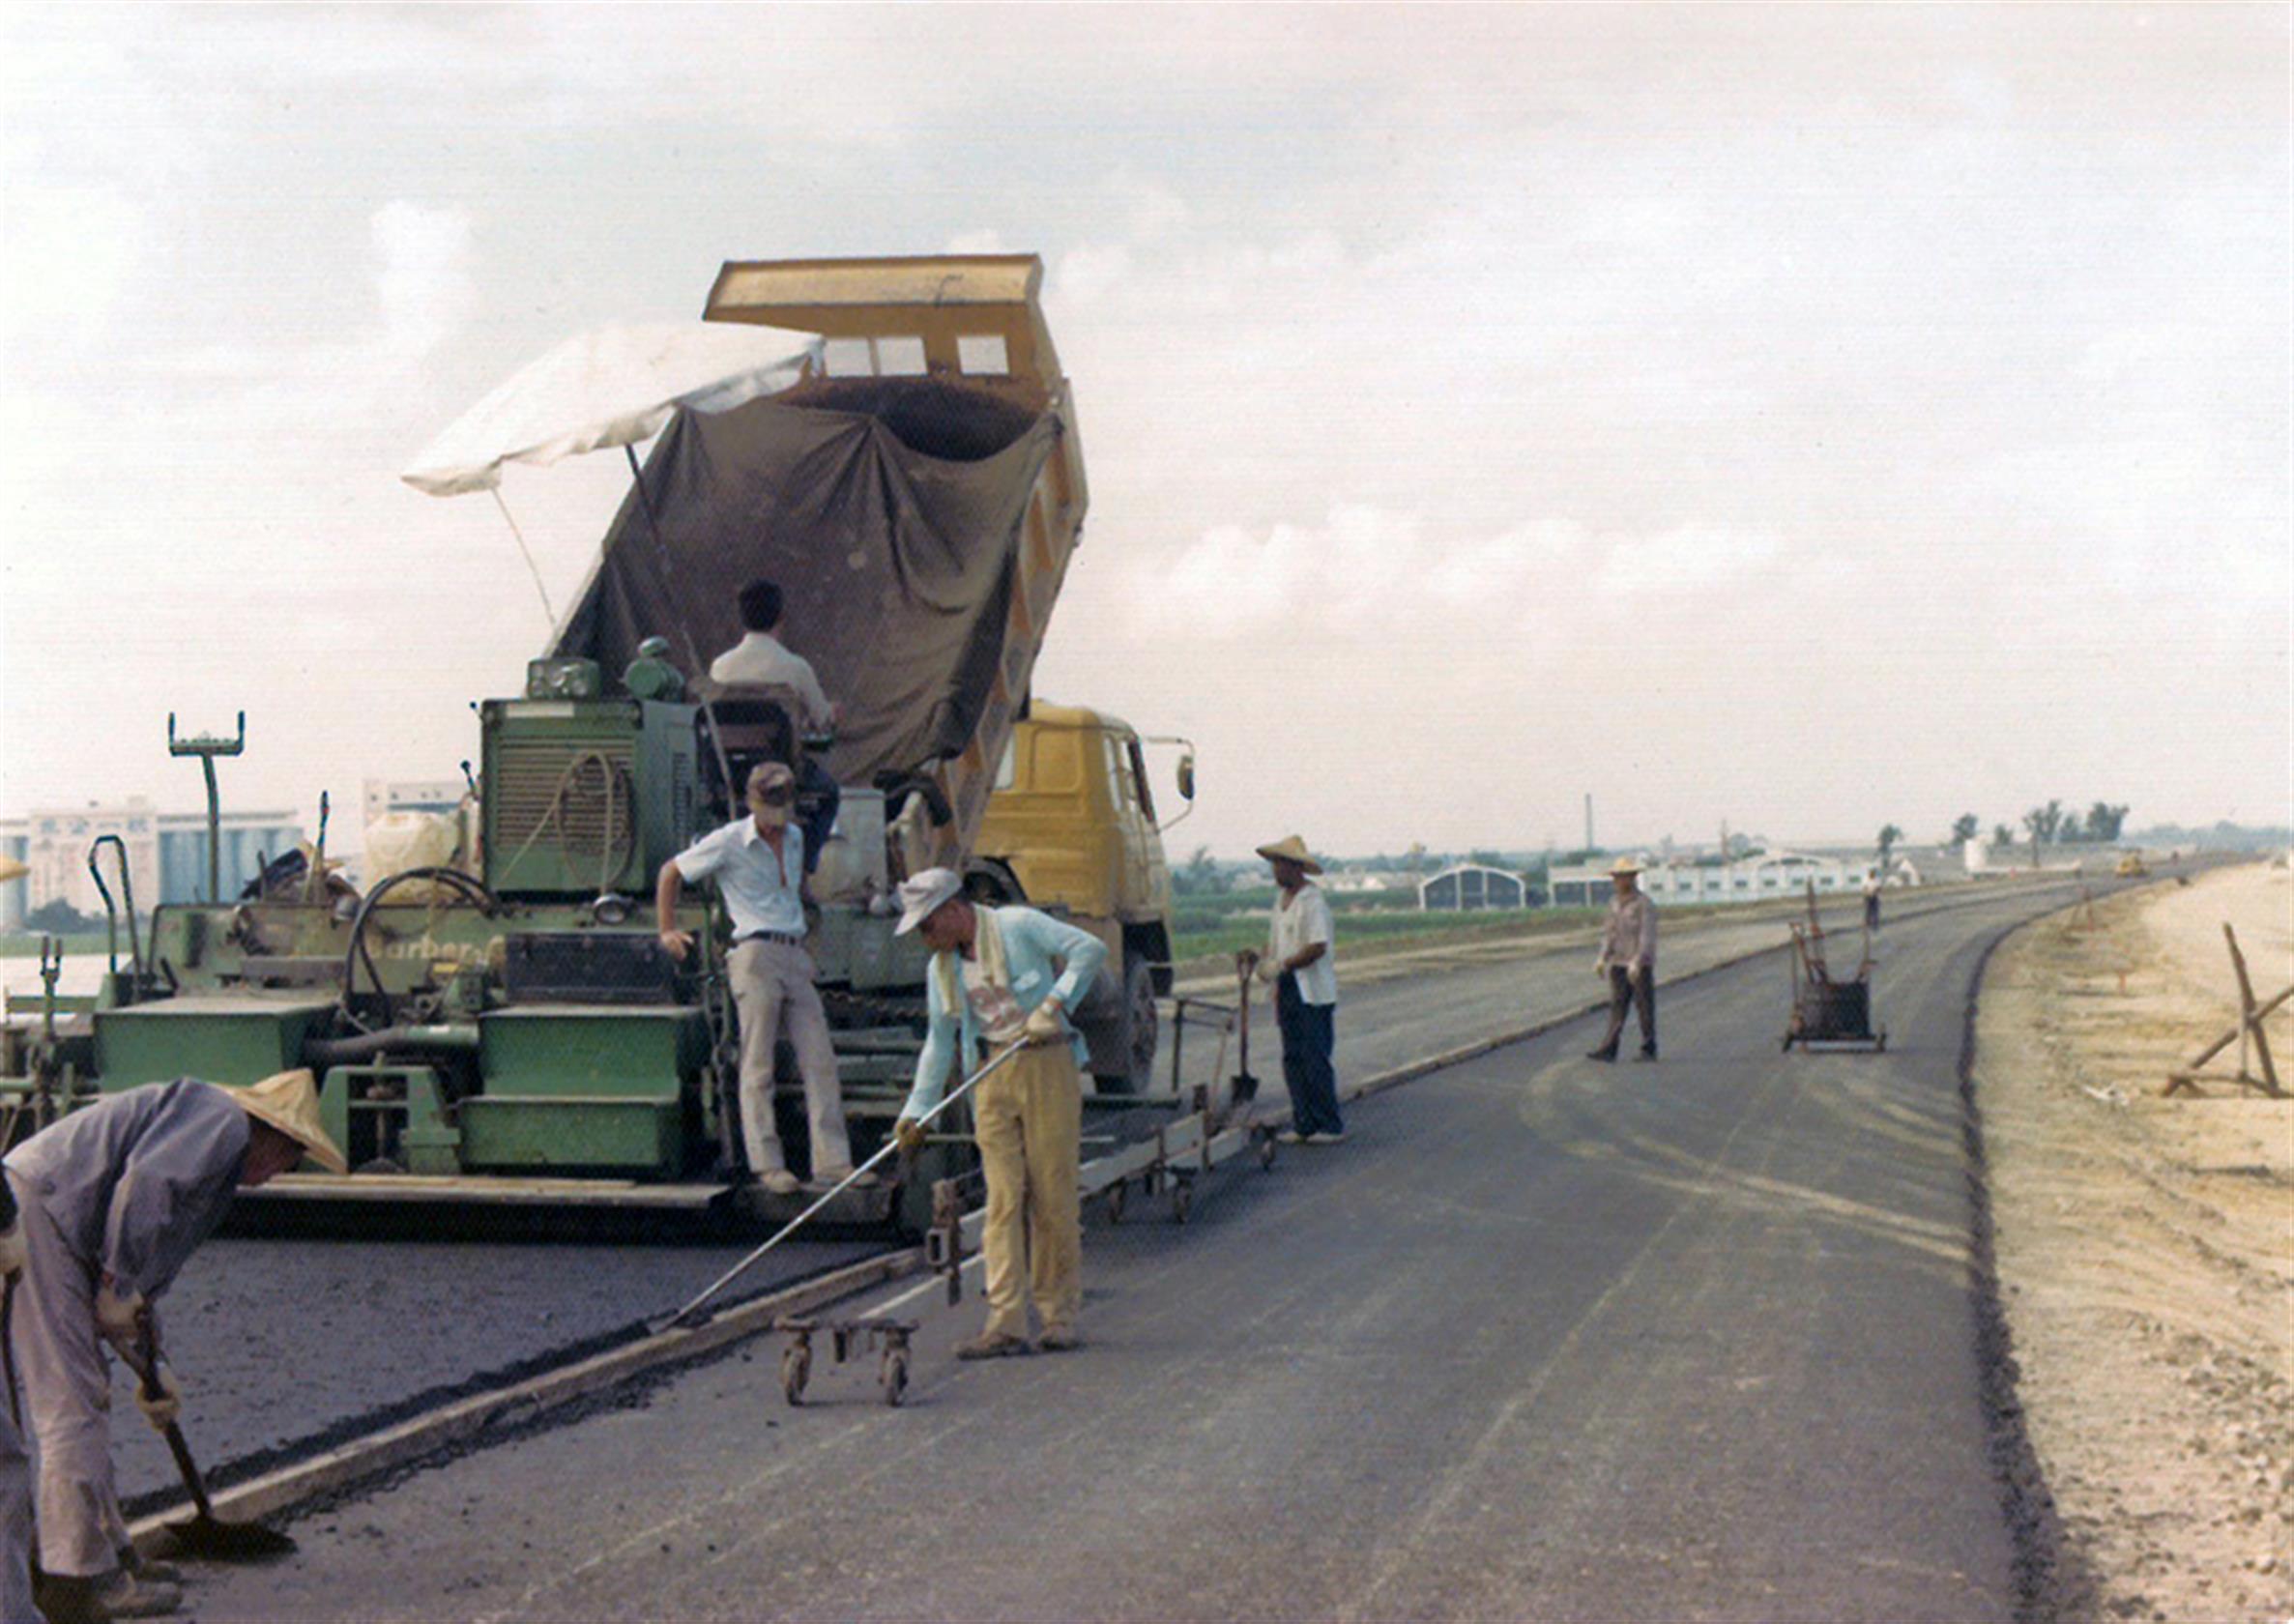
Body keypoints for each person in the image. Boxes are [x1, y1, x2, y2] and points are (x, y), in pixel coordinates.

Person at [2, 1072, 345, 1622]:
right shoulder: (222, 1121)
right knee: (72, 1401)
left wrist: (150, 1369)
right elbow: (147, 1186)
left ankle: (110, 1553)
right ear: (274, 1135)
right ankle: (76, 1579)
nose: (282, 1171)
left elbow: (147, 1269)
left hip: (53, 1212)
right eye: (290, 1157)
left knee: (89, 1397)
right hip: (44, 1212)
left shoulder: (214, 1155)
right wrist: (115, 1281)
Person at [890, 869, 1104, 1358]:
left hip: (1046, 1063)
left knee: (1052, 1194)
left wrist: (1053, 1004)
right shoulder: (941, 969)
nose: (926, 940)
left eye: (927, 927)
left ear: (951, 910)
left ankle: (1058, 1316)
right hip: (989, 1075)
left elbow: (1089, 951)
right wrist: (917, 1110)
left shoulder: (1017, 926)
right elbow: (939, 1041)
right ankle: (1005, 1322)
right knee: (1003, 1201)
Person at [657, 761, 859, 1197]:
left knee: (819, 1060)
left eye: (782, 804)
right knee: (758, 1063)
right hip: (753, 952)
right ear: (752, 802)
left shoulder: (795, 838)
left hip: (793, 951)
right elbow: (671, 871)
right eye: (769, 804)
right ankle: (768, 1165)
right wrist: (667, 929)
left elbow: (797, 889)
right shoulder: (729, 842)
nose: (775, 814)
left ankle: (832, 1162)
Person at [1252, 836, 1346, 1146]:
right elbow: (1276, 943)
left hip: (1312, 990)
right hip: (1289, 987)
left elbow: (1317, 946)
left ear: (1294, 867)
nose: (1275, 871)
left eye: (1280, 864)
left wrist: (1284, 966)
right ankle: (1304, 1122)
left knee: (1314, 1057)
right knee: (1293, 1057)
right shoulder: (1280, 904)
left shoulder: (1311, 902)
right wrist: (1266, 964)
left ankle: (1329, 1124)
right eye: (1274, 864)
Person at [709, 578, 837, 738]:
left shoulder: (719, 667)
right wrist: (831, 712)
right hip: (781, 760)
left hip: (726, 761)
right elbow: (823, 721)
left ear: (742, 618)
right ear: (781, 617)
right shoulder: (796, 667)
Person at [1587, 856, 1659, 1062]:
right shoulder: (1613, 903)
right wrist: (1602, 957)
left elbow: (1647, 936)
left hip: (1638, 964)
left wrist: (1638, 960)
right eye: (1616, 877)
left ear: (1633, 878)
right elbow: (1610, 933)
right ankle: (1609, 1047)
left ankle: (1649, 1047)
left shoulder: (1644, 904)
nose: (1618, 881)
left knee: (1644, 1006)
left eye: (1622, 877)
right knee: (1617, 1006)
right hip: (1618, 962)